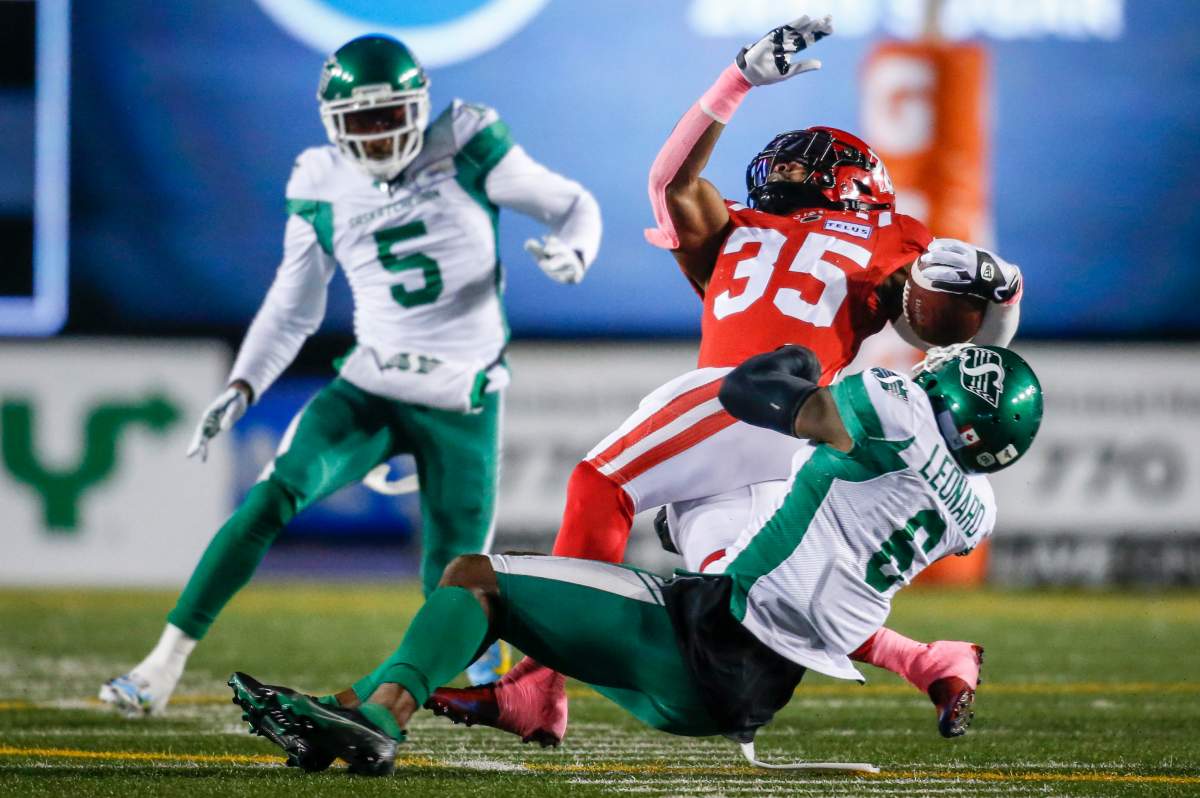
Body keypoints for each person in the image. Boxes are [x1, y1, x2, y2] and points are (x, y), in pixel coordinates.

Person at [429, 15, 1022, 744]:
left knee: (599, 485)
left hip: (769, 403)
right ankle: (929, 659)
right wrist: (736, 79)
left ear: (856, 181)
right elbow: (669, 180)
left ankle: (538, 688)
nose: (785, 174)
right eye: (783, 165)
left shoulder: (892, 235)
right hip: (755, 421)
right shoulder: (733, 226)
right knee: (743, 585)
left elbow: (932, 331)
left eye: (805, 168)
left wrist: (996, 306)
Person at [228, 343, 1044, 776]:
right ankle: (347, 712)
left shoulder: (897, 411)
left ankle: (377, 722)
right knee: (516, 610)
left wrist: (796, 364)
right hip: (753, 694)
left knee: (475, 580)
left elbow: (752, 394)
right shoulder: (977, 511)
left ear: (952, 395)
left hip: (707, 634)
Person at [100, 33, 602, 715]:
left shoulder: (463, 142)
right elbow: (292, 308)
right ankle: (160, 663)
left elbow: (572, 203)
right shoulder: (320, 180)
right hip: (371, 388)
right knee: (269, 499)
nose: (377, 134)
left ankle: (425, 692)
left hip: (463, 400)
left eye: (389, 115)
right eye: (360, 120)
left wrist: (576, 249)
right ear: (332, 123)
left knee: (455, 590)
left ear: (417, 108)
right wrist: (243, 384)